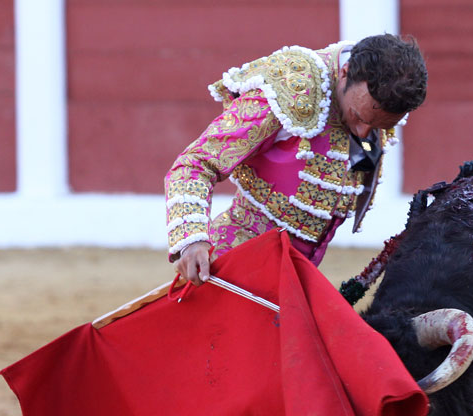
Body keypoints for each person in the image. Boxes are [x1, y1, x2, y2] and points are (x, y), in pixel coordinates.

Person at [165, 34, 427, 285]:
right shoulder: (291, 89)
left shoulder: (375, 101)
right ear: (345, 73)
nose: (361, 134)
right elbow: (197, 163)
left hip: (298, 277)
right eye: (357, 116)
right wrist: (191, 239)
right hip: (234, 264)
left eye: (377, 127)